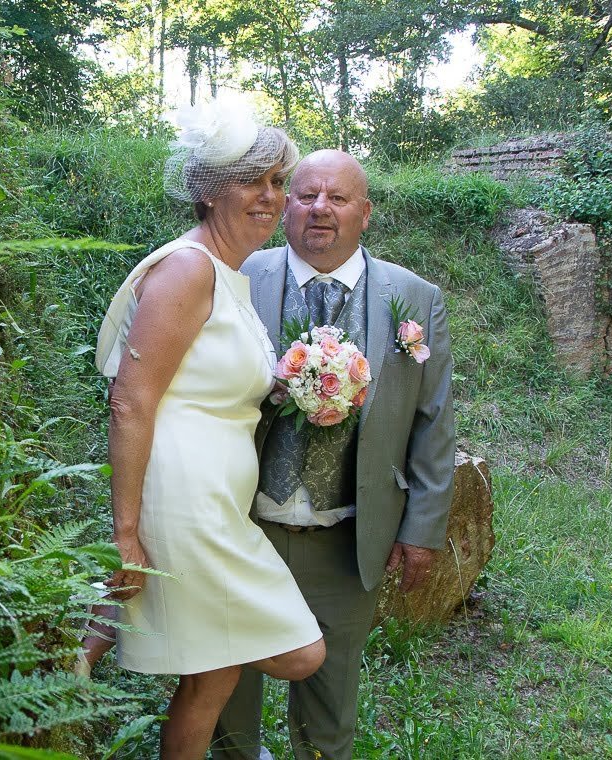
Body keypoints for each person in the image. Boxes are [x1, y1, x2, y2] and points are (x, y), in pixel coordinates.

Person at [92, 102, 327, 760]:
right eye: (252, 179)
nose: (271, 196)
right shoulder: (189, 268)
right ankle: (92, 619)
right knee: (300, 652)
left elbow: (209, 383)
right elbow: (132, 402)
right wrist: (127, 533)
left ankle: (89, 629)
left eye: (278, 181)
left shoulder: (229, 275)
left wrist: (298, 386)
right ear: (205, 191)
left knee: (215, 676)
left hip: (218, 501)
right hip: (185, 502)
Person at [212, 150, 455, 760]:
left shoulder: (415, 300)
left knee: (330, 698)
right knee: (225, 686)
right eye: (306, 194)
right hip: (241, 528)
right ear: (286, 206)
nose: (321, 208)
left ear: (364, 213)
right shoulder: (233, 275)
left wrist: (422, 529)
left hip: (348, 536)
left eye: (338, 198)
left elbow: (431, 425)